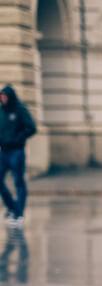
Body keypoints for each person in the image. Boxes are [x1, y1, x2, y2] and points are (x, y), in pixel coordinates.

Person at [0, 84, 37, 229]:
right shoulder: (1, 111)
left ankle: (19, 214)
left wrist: (19, 138)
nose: (2, 99)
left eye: (4, 96)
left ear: (10, 97)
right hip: (3, 152)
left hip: (16, 152)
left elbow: (31, 128)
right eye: (1, 97)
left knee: (18, 182)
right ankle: (12, 208)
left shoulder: (19, 109)